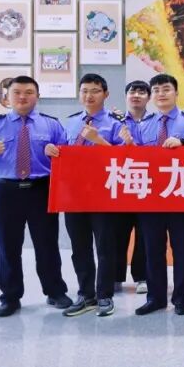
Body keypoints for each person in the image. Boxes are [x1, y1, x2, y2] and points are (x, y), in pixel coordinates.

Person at [0, 75, 72, 317]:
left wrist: (56, 153)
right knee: (8, 246)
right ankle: (10, 297)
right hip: (7, 192)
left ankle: (55, 291)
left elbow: (68, 160)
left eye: (28, 92)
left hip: (41, 189)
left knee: (47, 244)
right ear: (7, 97)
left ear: (37, 96)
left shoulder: (51, 125)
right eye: (16, 92)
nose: (22, 97)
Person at [135, 73, 184, 315]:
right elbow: (134, 159)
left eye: (166, 89)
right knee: (152, 250)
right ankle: (155, 298)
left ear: (176, 93)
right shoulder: (143, 124)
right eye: (156, 90)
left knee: (183, 250)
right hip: (151, 197)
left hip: (183, 195)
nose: (161, 94)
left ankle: (182, 298)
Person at [61, 74, 129, 318]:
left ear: (106, 94)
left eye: (95, 91)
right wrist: (52, 150)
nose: (89, 96)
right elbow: (63, 155)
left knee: (105, 247)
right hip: (74, 196)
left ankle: (104, 295)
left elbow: (125, 160)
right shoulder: (70, 123)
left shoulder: (116, 124)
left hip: (104, 194)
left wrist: (98, 140)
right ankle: (85, 294)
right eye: (85, 91)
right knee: (79, 248)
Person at [116, 80, 150, 294]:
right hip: (120, 183)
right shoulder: (114, 121)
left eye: (141, 92)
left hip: (148, 185)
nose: (136, 95)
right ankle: (115, 276)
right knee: (117, 233)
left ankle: (142, 277)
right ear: (126, 96)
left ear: (148, 97)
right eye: (132, 91)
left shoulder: (155, 121)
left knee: (144, 234)